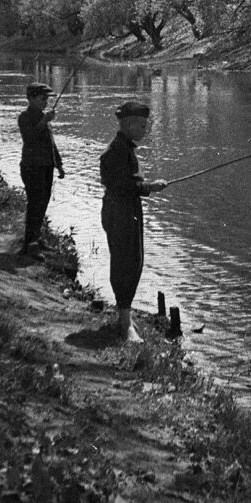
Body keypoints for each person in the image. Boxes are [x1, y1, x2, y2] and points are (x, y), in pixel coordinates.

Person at [100, 101, 166, 342]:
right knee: (126, 263)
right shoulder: (117, 151)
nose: (145, 130)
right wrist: (149, 187)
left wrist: (146, 188)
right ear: (128, 125)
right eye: (141, 125)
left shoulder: (125, 148)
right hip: (121, 211)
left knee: (132, 262)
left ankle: (124, 316)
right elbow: (121, 185)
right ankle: (125, 324)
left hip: (126, 209)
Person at [18, 82, 65, 257]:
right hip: (32, 167)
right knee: (35, 204)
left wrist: (58, 164)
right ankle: (29, 244)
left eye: (46, 99)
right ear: (30, 98)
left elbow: (51, 143)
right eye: (42, 98)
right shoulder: (24, 117)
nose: (45, 102)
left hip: (46, 167)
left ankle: (36, 239)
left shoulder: (43, 118)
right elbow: (29, 139)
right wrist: (44, 120)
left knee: (43, 203)